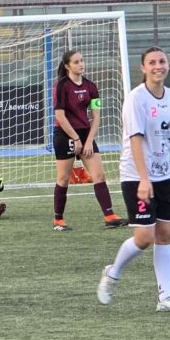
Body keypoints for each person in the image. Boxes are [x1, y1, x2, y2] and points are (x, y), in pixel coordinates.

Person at [96, 46, 170, 312]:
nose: (157, 66)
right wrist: (143, 179)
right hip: (136, 175)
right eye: (151, 62)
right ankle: (113, 272)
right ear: (143, 68)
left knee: (164, 234)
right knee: (144, 237)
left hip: (164, 174)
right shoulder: (136, 98)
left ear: (168, 64)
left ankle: (165, 298)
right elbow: (136, 140)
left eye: (162, 61)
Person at [51, 49, 126, 231]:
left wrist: (88, 140)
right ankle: (58, 220)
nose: (81, 64)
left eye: (82, 61)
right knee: (63, 179)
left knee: (99, 175)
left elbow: (96, 115)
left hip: (85, 135)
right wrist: (75, 139)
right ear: (68, 66)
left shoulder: (91, 86)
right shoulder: (61, 86)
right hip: (65, 135)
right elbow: (60, 116)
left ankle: (109, 215)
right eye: (76, 62)